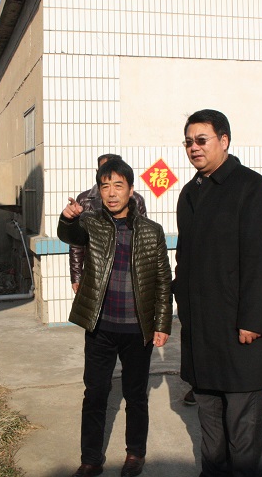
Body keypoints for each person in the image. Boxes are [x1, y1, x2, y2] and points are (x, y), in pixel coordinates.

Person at [174, 109, 262, 477]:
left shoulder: (251, 187)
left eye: (201, 140)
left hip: (241, 333)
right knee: (210, 428)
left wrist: (252, 320)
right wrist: (183, 308)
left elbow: (261, 260)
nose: (194, 148)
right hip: (202, 333)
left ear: (224, 141)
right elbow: (184, 259)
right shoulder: (190, 193)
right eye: (188, 142)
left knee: (243, 432)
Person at [58, 158, 173, 477]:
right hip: (101, 328)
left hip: (137, 329)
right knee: (95, 394)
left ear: (131, 190)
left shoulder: (151, 231)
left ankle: (135, 454)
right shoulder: (91, 223)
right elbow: (69, 235)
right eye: (105, 186)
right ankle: (91, 459)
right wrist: (67, 218)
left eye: (118, 185)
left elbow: (163, 279)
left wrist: (162, 324)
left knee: (136, 396)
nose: (111, 193)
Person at [69, 154, 147, 294]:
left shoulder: (136, 200)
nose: (112, 193)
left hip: (128, 273)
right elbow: (76, 244)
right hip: (96, 274)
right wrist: (76, 276)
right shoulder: (84, 200)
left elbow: (144, 241)